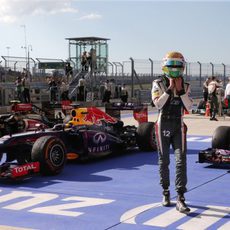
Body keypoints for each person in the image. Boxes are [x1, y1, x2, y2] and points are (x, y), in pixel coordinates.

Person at [151, 51, 193, 213]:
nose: (175, 69)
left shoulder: (186, 85)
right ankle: (166, 192)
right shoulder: (158, 83)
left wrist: (181, 91)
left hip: (179, 125)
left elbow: (189, 107)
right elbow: (158, 105)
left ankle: (181, 198)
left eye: (178, 65)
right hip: (162, 125)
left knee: (181, 160)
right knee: (164, 161)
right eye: (172, 65)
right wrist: (169, 89)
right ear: (165, 66)